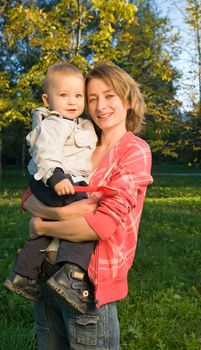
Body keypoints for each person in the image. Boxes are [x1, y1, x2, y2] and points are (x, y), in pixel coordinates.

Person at [22, 63, 153, 350]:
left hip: (87, 285)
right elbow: (30, 194)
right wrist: (65, 212)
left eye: (109, 96)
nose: (99, 106)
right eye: (91, 98)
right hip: (46, 275)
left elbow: (101, 226)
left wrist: (43, 223)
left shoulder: (134, 150)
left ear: (128, 101)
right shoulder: (80, 140)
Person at [4, 62, 101, 313]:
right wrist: (58, 178)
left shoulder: (80, 125)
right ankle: (72, 275)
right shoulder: (54, 123)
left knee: (50, 232)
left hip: (61, 182)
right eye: (64, 95)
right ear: (48, 99)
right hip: (54, 180)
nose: (72, 101)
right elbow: (46, 154)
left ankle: (23, 274)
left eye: (78, 95)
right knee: (86, 221)